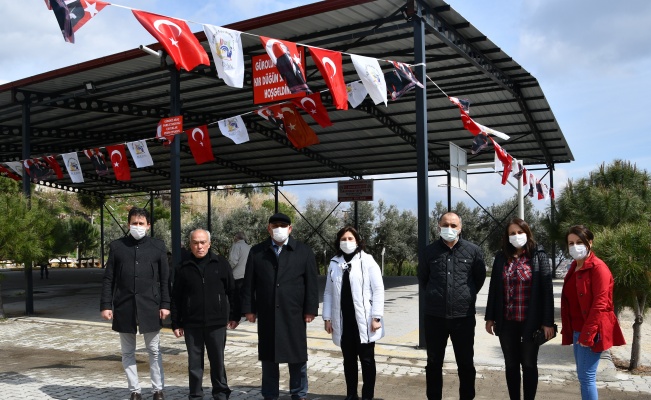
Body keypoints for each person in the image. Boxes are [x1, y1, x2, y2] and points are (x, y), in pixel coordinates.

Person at [240, 212, 319, 400]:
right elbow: (249, 283)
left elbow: (312, 283)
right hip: (268, 313)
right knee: (269, 357)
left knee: (297, 357)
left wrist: (310, 309)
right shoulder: (257, 251)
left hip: (294, 313)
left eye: (283, 226)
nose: (279, 229)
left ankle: (299, 393)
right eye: (275, 226)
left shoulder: (303, 251)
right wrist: (249, 309)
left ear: (290, 229)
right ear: (269, 229)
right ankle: (270, 394)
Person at [100, 207, 170, 400]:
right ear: (128, 224)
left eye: (141, 223)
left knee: (154, 350)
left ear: (148, 225)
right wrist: (106, 305)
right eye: (134, 223)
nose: (137, 227)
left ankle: (158, 389)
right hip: (124, 305)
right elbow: (108, 279)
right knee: (127, 351)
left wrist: (165, 303)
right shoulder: (117, 247)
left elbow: (165, 279)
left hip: (151, 305)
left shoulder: (158, 246)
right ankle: (135, 391)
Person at [417, 211, 486, 400]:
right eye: (445, 225)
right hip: (434, 317)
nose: (449, 229)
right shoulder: (428, 251)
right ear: (438, 226)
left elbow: (478, 280)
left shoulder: (473, 251)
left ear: (460, 228)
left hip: (463, 317)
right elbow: (423, 279)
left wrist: (464, 296)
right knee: (433, 363)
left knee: (465, 363)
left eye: (453, 225)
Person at [484, 218, 555, 400]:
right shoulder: (501, 258)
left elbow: (547, 291)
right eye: (512, 233)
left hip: (530, 322)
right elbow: (494, 289)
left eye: (520, 232)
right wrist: (490, 317)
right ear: (507, 237)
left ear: (527, 234)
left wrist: (547, 322)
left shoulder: (538, 256)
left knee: (529, 364)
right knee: (511, 365)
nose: (516, 236)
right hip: (507, 321)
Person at [171, 229, 240, 400]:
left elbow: (232, 291)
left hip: (216, 323)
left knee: (217, 361)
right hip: (191, 324)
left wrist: (234, 315)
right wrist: (176, 322)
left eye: (202, 242)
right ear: (190, 245)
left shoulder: (221, 264)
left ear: (209, 244)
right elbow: (176, 297)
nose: (199, 246)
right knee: (194, 363)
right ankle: (195, 394)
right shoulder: (183, 267)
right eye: (195, 242)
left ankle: (221, 392)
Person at [561, 225, 625, 400]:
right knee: (583, 377)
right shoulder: (574, 267)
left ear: (590, 242)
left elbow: (600, 304)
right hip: (577, 330)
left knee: (587, 377)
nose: (575, 246)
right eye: (571, 243)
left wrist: (587, 334)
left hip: (590, 331)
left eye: (579, 242)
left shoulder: (598, 268)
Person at [323, 226, 384, 400]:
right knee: (348, 360)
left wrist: (376, 317)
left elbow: (378, 289)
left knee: (367, 360)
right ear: (338, 241)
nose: (347, 242)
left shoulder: (367, 260)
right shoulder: (334, 262)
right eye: (343, 239)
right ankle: (351, 394)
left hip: (364, 320)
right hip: (343, 320)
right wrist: (327, 318)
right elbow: (328, 292)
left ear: (357, 241)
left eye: (350, 238)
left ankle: (367, 395)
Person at [228, 231, 251, 295]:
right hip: (246, 276)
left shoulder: (236, 246)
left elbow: (233, 261)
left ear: (236, 237)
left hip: (237, 277)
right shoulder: (248, 247)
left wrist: (228, 271)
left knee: (237, 300)